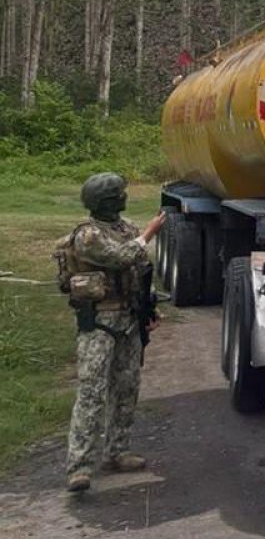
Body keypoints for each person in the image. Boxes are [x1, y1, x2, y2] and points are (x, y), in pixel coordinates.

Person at [63, 173, 167, 492]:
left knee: (126, 387)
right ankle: (79, 466)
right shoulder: (88, 235)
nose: (124, 197)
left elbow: (138, 272)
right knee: (92, 390)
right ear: (106, 200)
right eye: (119, 193)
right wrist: (149, 233)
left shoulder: (125, 229)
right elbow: (121, 257)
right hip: (99, 321)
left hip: (128, 318)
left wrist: (148, 310)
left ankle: (117, 451)